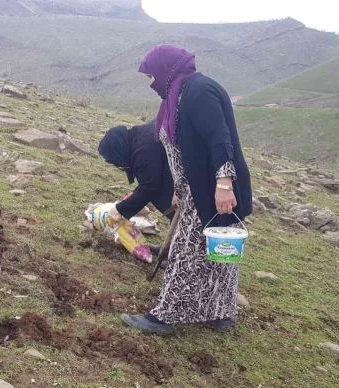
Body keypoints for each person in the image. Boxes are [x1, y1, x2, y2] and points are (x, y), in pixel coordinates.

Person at [120, 45, 252, 334]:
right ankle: (219, 313)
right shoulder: (177, 96)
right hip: (195, 189)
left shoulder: (199, 92)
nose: (151, 83)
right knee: (218, 251)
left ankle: (165, 316)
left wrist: (224, 184)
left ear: (167, 70)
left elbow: (220, 141)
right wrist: (179, 189)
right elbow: (184, 150)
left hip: (213, 190)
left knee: (187, 253)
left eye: (152, 76)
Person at [98, 120, 176, 222]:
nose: (118, 165)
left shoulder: (142, 151)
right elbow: (149, 179)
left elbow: (150, 187)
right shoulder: (137, 138)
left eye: (115, 161)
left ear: (118, 152)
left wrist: (120, 210)